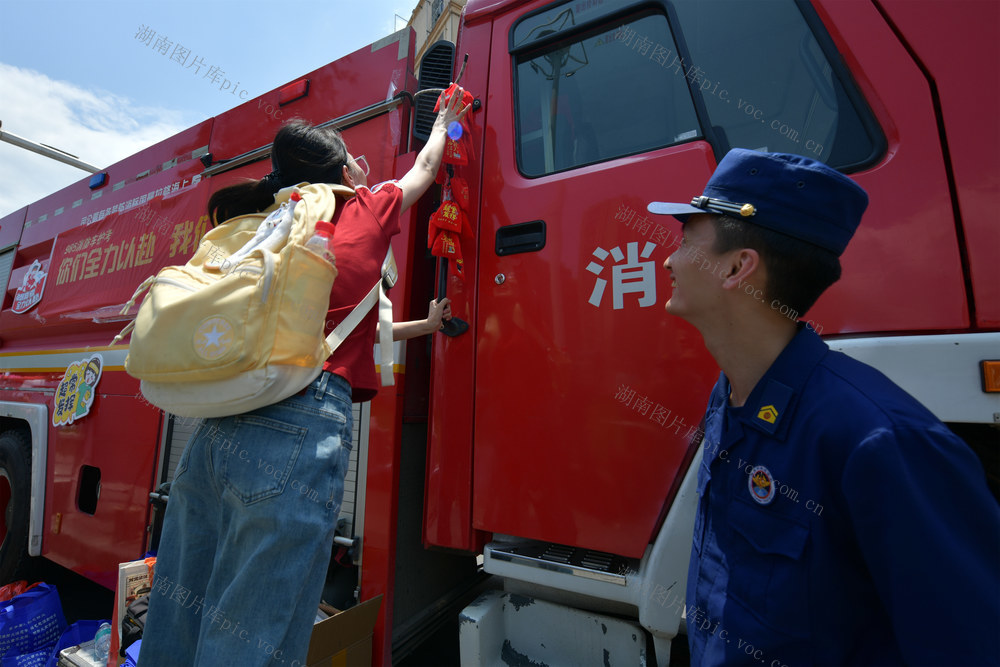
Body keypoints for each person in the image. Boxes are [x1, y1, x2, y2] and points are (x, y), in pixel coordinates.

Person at [139, 88, 469, 667]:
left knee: (180, 617)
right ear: (344, 169)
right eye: (356, 161)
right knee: (251, 635)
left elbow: (357, 327)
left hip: (215, 429)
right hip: (297, 425)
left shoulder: (264, 221)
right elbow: (424, 167)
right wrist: (445, 120)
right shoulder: (365, 206)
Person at [646, 149, 1000, 666]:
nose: (669, 260)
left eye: (685, 239)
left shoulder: (881, 442)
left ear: (737, 267)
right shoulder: (731, 397)